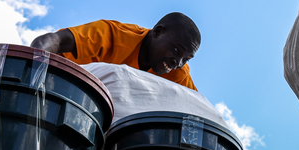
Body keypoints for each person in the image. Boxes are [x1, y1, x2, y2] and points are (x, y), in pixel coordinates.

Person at [29, 13, 201, 90]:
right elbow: (52, 41)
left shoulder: (178, 73)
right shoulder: (115, 36)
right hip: (55, 89)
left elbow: (200, 112)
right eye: (176, 50)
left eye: (186, 59)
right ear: (157, 32)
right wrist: (32, 76)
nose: (178, 62)